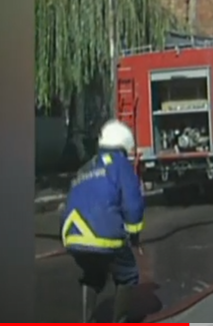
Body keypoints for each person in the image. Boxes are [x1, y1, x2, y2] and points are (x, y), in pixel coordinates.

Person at [60, 119, 145, 322]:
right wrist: (134, 236)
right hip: (103, 234)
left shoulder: (87, 167)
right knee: (128, 273)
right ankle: (120, 320)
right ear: (124, 144)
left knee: (93, 274)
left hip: (72, 234)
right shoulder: (120, 165)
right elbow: (133, 204)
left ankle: (86, 320)